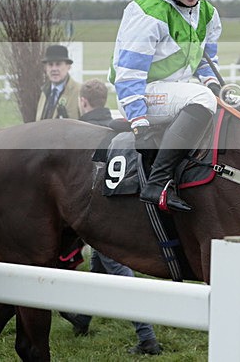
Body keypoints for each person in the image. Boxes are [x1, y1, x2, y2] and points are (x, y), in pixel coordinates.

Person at [109, 0, 222, 212]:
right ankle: (157, 182)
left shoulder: (208, 14)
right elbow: (129, 74)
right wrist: (139, 122)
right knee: (202, 99)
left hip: (176, 92)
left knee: (216, 100)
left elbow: (207, 61)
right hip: (141, 94)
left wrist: (215, 85)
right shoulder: (148, 12)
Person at [59, 79, 163, 356]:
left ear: (83, 102)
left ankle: (147, 337)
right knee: (99, 264)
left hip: (103, 213)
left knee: (119, 273)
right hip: (125, 206)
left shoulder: (83, 133)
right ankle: (84, 317)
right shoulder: (118, 123)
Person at [37, 44, 82, 120]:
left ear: (68, 67)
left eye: (58, 64)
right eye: (50, 65)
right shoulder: (44, 92)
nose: (54, 69)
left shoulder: (79, 92)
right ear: (45, 68)